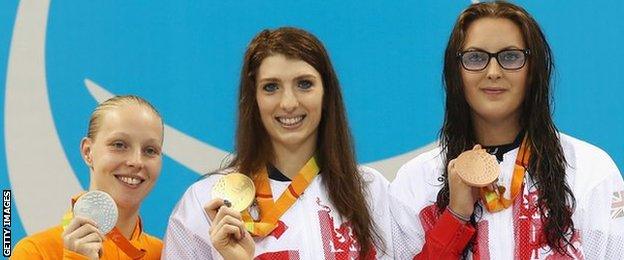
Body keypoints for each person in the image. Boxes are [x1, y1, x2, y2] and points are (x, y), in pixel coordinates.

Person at [390, 1, 624, 259]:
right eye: (476, 57)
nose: (493, 72)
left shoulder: (591, 171)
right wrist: (455, 217)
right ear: (456, 72)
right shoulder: (415, 182)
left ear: (533, 70)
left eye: (511, 57)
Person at [163, 27, 392, 259]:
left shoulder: (371, 192)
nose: (288, 103)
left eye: (304, 84)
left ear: (326, 94)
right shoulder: (205, 203)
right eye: (271, 87)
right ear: (254, 99)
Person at [12, 95, 164, 259]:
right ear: (88, 152)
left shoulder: (165, 253)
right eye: (119, 145)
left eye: (150, 150)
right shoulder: (36, 252)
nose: (136, 161)